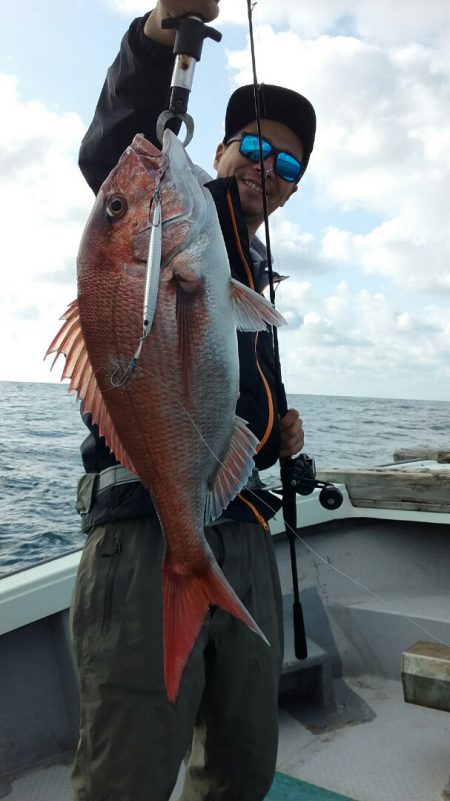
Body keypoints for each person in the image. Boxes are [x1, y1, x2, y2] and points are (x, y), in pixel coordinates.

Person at [71, 2, 316, 800]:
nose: (265, 169)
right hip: (148, 529)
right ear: (215, 148)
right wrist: (156, 37)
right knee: (130, 772)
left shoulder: (240, 262)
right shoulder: (174, 219)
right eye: (252, 146)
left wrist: (278, 428)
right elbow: (118, 147)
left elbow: (223, 385)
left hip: (240, 529)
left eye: (287, 165)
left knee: (244, 760)